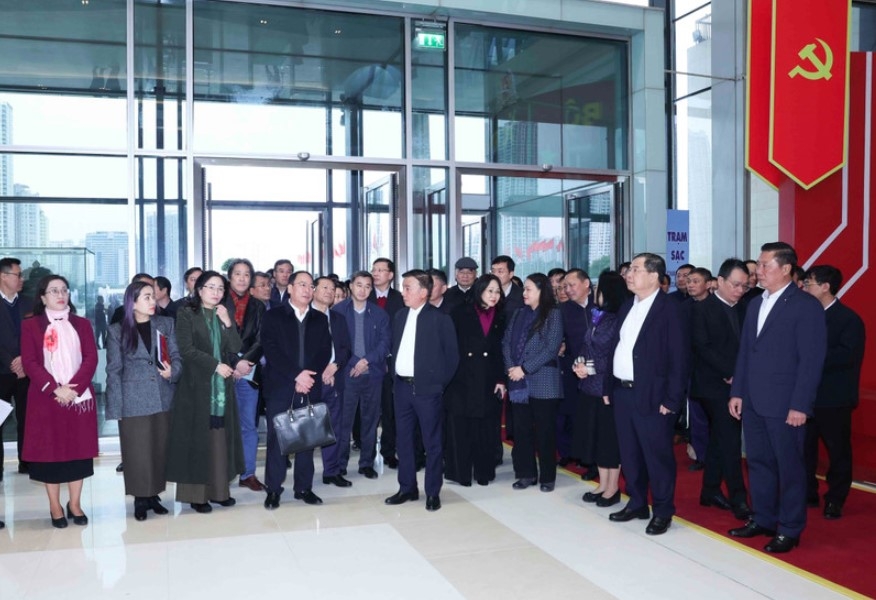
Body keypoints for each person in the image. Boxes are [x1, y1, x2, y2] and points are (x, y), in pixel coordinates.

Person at [728, 242, 826, 553]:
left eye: (765, 264)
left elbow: (811, 361)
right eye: (759, 263)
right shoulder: (756, 303)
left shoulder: (805, 305)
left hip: (786, 405)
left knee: (790, 467)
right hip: (755, 401)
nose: (758, 270)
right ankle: (764, 518)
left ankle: (790, 527)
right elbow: (746, 352)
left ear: (785, 269)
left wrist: (800, 404)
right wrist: (738, 391)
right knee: (758, 463)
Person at [608, 253, 689, 536]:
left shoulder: (670, 309)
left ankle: (663, 510)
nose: (629, 274)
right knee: (630, 454)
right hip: (623, 392)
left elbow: (679, 359)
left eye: (636, 269)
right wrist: (609, 386)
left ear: (654, 276)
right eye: (629, 269)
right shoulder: (626, 306)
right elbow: (618, 348)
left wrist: (672, 400)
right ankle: (638, 502)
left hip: (654, 396)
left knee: (657, 456)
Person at [20, 275, 98, 528]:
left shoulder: (82, 324)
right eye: (53, 290)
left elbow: (90, 358)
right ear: (43, 297)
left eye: (64, 289)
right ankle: (55, 506)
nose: (60, 294)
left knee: (78, 453)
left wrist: (73, 389)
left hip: (77, 398)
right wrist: (55, 389)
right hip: (46, 400)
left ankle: (74, 504)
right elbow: (30, 362)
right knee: (49, 454)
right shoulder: (31, 325)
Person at [166, 271, 244, 514]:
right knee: (197, 442)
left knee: (219, 441)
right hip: (196, 387)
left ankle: (219, 492)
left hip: (221, 390)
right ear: (199, 290)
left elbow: (236, 347)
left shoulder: (223, 313)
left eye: (220, 288)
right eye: (211, 287)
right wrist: (214, 365)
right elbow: (186, 350)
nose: (216, 292)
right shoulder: (186, 313)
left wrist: (228, 324)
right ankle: (196, 496)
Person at [105, 281, 182, 521]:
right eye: (147, 297)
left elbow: (177, 356)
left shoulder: (165, 324)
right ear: (133, 302)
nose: (153, 301)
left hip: (162, 396)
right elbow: (113, 370)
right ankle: (140, 498)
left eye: (153, 297)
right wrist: (116, 406)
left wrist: (173, 372)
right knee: (137, 452)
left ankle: (154, 495)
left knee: (159, 449)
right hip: (133, 399)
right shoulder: (117, 330)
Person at [385, 270, 459, 512]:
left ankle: (432, 492)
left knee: (432, 443)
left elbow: (452, 358)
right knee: (403, 441)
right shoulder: (399, 316)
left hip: (428, 391)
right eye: (403, 287)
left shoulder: (440, 318)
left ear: (424, 292)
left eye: (408, 287)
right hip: (401, 388)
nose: (403, 291)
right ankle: (407, 488)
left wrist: (438, 385)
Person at [262, 271, 333, 509]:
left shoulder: (320, 319)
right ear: (290, 288)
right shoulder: (273, 316)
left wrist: (307, 376)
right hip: (282, 385)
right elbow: (271, 350)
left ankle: (304, 488)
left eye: (310, 286)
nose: (307, 290)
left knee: (307, 438)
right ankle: (273, 489)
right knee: (278, 439)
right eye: (301, 285)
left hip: (310, 385)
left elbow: (324, 351)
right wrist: (296, 374)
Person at [689, 259, 752, 520]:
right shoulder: (702, 309)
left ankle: (710, 490)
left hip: (738, 383)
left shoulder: (747, 308)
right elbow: (702, 347)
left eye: (745, 286)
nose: (740, 290)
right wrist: (731, 373)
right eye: (736, 285)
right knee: (729, 441)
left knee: (719, 438)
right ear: (721, 282)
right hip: (713, 386)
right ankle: (739, 499)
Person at [802, 265, 865, 520]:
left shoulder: (848, 319)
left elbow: (847, 356)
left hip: (834, 398)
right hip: (805, 397)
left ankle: (836, 499)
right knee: (804, 449)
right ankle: (808, 492)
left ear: (826, 286)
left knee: (838, 451)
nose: (805, 288)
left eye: (809, 284)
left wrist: (809, 357)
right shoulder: (805, 315)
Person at [502, 273, 564, 492]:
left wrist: (524, 368)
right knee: (522, 431)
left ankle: (547, 477)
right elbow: (507, 342)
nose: (524, 293)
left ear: (541, 290)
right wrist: (512, 368)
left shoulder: (552, 314)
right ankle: (526, 473)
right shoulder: (519, 313)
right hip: (518, 383)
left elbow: (551, 347)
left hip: (543, 381)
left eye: (528, 289)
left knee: (545, 432)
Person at [445, 274, 507, 486]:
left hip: (489, 378)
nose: (494, 296)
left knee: (487, 428)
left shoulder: (502, 315)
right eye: (490, 291)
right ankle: (461, 473)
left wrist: (502, 378)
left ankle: (484, 472)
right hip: (463, 377)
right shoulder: (460, 312)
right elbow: (450, 347)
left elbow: (502, 350)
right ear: (479, 290)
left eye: (497, 292)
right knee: (462, 427)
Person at [332, 271, 390, 480]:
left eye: (367, 286)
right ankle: (339, 465)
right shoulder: (338, 311)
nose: (363, 290)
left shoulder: (379, 314)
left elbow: (385, 343)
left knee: (370, 421)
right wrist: (354, 362)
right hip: (346, 374)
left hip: (372, 374)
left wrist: (366, 361)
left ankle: (366, 463)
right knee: (343, 422)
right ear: (351, 287)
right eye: (359, 285)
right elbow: (336, 343)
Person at [575, 271, 626, 507]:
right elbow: (588, 346)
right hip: (590, 388)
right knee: (596, 437)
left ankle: (612, 487)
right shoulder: (599, 316)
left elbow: (612, 355)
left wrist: (590, 368)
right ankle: (603, 483)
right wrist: (580, 364)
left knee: (609, 440)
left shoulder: (616, 319)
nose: (595, 292)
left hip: (606, 388)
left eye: (598, 288)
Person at [223, 259, 266, 492]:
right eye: (237, 274)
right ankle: (222, 473)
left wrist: (245, 362)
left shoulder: (258, 306)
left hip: (248, 371)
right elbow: (214, 338)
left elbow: (261, 338)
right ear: (230, 277)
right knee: (221, 425)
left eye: (246, 274)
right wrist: (233, 362)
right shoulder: (218, 300)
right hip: (222, 370)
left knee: (249, 426)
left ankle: (248, 473)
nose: (242, 278)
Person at [311, 276, 352, 488]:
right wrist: (318, 372)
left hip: (334, 379)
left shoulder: (337, 318)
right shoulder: (303, 315)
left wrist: (335, 365)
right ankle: (304, 474)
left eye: (332, 288)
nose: (328, 291)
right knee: (307, 427)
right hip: (309, 381)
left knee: (334, 426)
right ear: (313, 290)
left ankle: (332, 471)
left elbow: (345, 348)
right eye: (324, 287)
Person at [368, 257, 404, 468]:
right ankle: (367, 451)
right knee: (369, 411)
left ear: (390, 275)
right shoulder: (364, 297)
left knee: (390, 411)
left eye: (381, 270)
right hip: (369, 363)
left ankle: (389, 451)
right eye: (374, 270)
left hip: (392, 364)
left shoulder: (400, 299)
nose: (376, 273)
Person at [0, 257, 34, 479]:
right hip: (1, 373)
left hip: (26, 373)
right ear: (3, 276)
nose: (22, 279)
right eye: (18, 275)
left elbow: (37, 336)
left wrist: (24, 359)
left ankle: (27, 462)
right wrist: (11, 361)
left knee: (28, 419)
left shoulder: (29, 304)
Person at [559, 268, 592, 473]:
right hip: (572, 369)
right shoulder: (562, 310)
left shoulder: (601, 307)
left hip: (599, 371)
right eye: (565, 287)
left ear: (586, 283)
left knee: (592, 418)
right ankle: (571, 452)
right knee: (571, 414)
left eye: (572, 285)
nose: (568, 290)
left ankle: (591, 460)